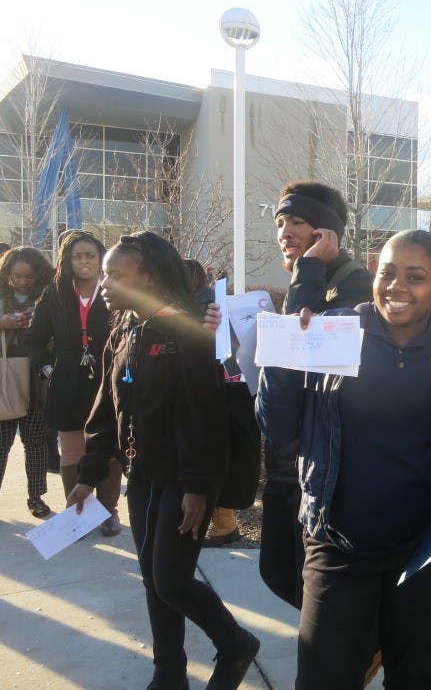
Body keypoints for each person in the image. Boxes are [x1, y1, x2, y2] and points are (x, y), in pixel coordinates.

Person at [257, 229, 431, 689]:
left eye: (415, 276)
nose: (396, 286)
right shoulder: (338, 331)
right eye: (387, 273)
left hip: (426, 552)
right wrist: (284, 355)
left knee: (415, 678)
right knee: (322, 678)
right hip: (339, 545)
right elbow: (278, 427)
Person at [67, 232, 259, 690]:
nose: (104, 281)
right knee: (154, 582)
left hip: (187, 479)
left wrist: (197, 487)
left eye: (116, 273)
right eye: (105, 273)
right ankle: (168, 672)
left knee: (171, 580)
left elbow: (204, 417)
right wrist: (89, 474)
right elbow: (107, 410)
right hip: (146, 476)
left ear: (148, 277)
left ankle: (235, 644)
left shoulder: (190, 332)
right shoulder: (125, 329)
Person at [258, 180, 374, 607]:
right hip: (290, 455)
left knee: (311, 588)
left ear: (326, 234)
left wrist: (307, 272)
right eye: (280, 222)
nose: (285, 232)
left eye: (298, 222)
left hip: (318, 463)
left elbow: (307, 358)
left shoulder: (355, 288)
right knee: (280, 573)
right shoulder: (311, 280)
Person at [25, 231, 122, 535]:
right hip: (65, 378)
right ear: (67, 260)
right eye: (77, 256)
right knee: (71, 450)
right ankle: (78, 513)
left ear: (100, 258)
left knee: (107, 444)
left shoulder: (113, 288)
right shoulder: (54, 293)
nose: (84, 261)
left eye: (90, 255)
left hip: (106, 377)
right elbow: (34, 340)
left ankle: (108, 511)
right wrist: (47, 368)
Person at [0, 246, 55, 519]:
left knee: (35, 442)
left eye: (28, 277)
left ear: (39, 276)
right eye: (16, 276)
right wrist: (3, 323)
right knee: (1, 443)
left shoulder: (48, 297)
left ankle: (36, 497)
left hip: (37, 380)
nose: (22, 281)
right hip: (5, 380)